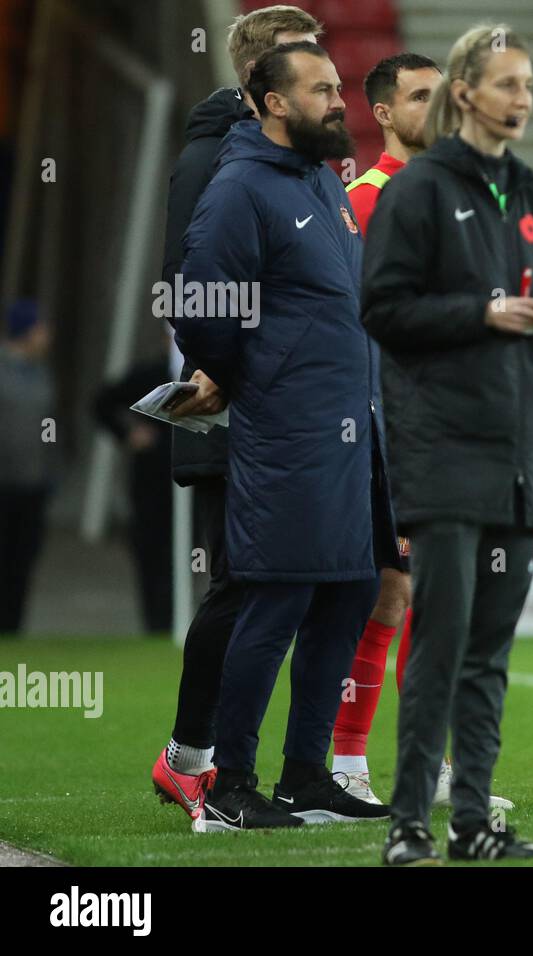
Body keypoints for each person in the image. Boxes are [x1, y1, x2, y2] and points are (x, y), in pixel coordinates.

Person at [362, 22, 533, 865]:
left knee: (489, 654)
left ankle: (473, 822)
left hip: (524, 450)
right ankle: (408, 824)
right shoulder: (417, 190)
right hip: (445, 447)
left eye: (529, 85)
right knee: (440, 645)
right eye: (508, 85)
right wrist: (482, 312)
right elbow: (381, 311)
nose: (523, 100)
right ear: (465, 93)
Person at [175, 41, 392, 831]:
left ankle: (305, 774)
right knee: (278, 600)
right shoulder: (240, 188)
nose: (340, 101)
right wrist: (248, 376)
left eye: (339, 87)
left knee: (349, 592)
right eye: (321, 90)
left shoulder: (321, 184)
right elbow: (200, 307)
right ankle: (229, 786)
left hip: (353, 428)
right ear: (271, 102)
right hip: (291, 432)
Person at [150, 3, 323, 820]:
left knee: (276, 580)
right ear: (267, 76)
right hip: (241, 405)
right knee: (242, 582)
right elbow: (192, 277)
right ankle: (195, 759)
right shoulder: (220, 154)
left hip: (289, 402)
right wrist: (229, 368)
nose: (325, 81)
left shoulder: (285, 154)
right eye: (305, 64)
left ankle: (282, 764)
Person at [336, 50, 516, 813]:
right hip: (391, 427)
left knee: (433, 598)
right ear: (382, 112)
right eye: (420, 97)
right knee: (391, 593)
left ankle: (425, 764)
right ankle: (346, 761)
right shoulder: (366, 200)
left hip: (456, 422)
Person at [91, 336, 173, 633]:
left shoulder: (203, 377)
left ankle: (179, 618)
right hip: (151, 483)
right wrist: (127, 435)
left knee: (186, 555)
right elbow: (102, 403)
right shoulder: (149, 376)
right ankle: (157, 625)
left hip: (189, 485)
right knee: (151, 553)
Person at [0, 300, 56, 635]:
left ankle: (12, 628)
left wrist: (50, 466)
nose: (47, 336)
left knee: (22, 561)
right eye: (41, 328)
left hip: (32, 485)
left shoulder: (42, 374)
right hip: (3, 483)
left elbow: (48, 425)